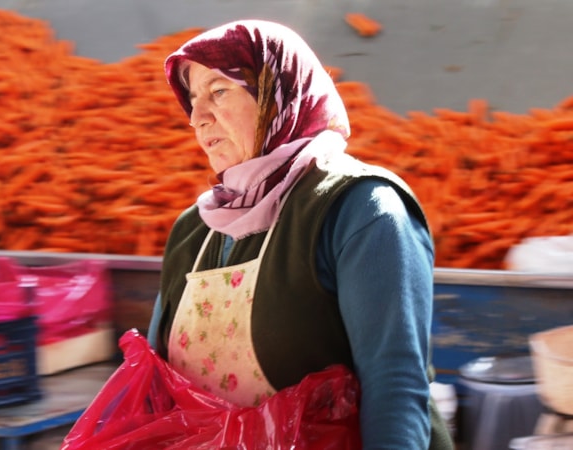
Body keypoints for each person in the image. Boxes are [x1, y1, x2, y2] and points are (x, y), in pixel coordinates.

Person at [146, 19, 454, 449]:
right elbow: (155, 389)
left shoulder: (361, 209)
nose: (197, 118)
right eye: (193, 100)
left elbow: (395, 385)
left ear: (279, 97)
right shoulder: (193, 232)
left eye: (219, 92)